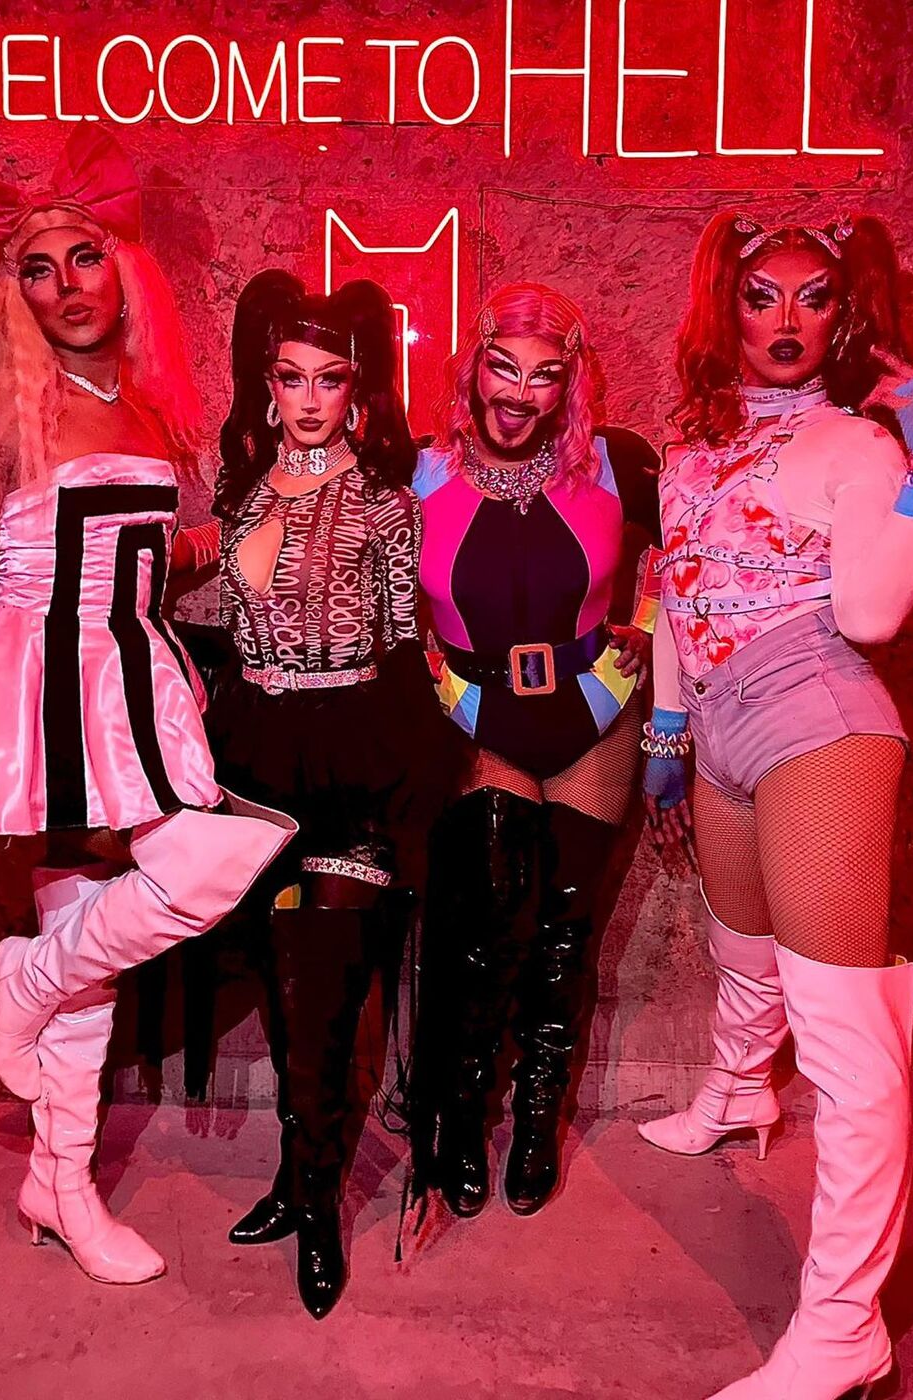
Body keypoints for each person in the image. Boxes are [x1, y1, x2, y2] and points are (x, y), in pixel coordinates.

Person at [0, 128, 295, 1286]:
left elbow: (149, 555)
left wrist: (238, 541)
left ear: (121, 266)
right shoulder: (11, 401)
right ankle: (68, 1174)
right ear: (15, 290)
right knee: (96, 940)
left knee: (141, 908)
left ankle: (43, 1085)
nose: (64, 286)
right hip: (44, 684)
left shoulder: (146, 405)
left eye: (83, 256)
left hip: (137, 676)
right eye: (36, 267)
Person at [639, 212, 913, 1399]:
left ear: (846, 316)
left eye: (812, 298)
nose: (783, 320)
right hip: (720, 719)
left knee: (845, 1029)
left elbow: (873, 618)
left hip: (817, 714)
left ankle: (842, 1330)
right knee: (742, 947)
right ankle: (734, 1088)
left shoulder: (856, 447)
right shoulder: (689, 449)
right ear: (724, 308)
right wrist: (669, 732)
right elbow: (671, 590)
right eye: (760, 294)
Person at [205, 270, 449, 1317]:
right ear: (267, 387)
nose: (310, 397)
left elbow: (404, 645)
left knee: (324, 989)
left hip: (354, 753)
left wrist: (406, 782)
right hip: (256, 754)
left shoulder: (390, 506)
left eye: (330, 378)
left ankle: (316, 1213)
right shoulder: (242, 497)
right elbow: (235, 628)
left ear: (358, 388)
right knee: (277, 975)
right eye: (291, 377)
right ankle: (294, 1174)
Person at [406, 284, 662, 1222]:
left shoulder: (614, 463)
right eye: (503, 366)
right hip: (481, 720)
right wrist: (436, 681)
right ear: (472, 365)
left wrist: (645, 634)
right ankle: (467, 1121)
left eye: (544, 376)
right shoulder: (420, 471)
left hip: (599, 710)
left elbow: (688, 558)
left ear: (569, 384)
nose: (519, 392)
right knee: (492, 924)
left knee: (565, 930)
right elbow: (387, 595)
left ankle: (538, 1117)